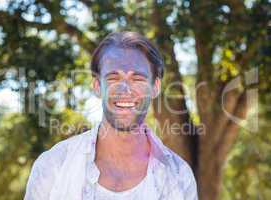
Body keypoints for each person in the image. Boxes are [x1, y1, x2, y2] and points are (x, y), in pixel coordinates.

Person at [24, 31, 198, 200]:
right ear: (97, 86)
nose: (125, 90)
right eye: (113, 78)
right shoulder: (53, 165)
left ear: (155, 87)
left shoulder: (179, 177)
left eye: (137, 79)